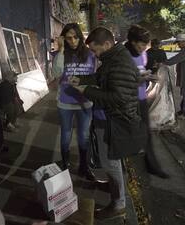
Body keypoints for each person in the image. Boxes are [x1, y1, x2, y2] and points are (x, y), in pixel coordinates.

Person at [70, 27, 145, 219]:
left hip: (115, 121)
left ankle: (118, 204)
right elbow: (101, 77)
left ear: (107, 44)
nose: (94, 54)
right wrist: (83, 79)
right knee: (110, 160)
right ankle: (113, 187)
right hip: (109, 119)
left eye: (96, 50)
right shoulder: (112, 59)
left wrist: (85, 90)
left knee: (110, 161)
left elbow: (118, 98)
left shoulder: (120, 63)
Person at [51, 23, 96, 181]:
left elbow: (95, 76)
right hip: (65, 102)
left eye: (75, 37)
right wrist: (61, 50)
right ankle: (65, 164)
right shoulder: (60, 54)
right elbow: (56, 74)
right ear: (64, 39)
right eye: (68, 38)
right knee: (66, 135)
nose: (73, 41)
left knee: (84, 136)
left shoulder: (90, 54)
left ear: (80, 37)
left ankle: (84, 166)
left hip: (85, 102)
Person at [125, 25, 169, 179]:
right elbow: (120, 80)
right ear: (131, 41)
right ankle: (124, 166)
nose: (144, 48)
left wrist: (149, 74)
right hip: (127, 101)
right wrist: (141, 78)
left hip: (141, 98)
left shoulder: (141, 54)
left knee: (146, 132)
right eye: (141, 44)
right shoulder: (123, 55)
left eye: (145, 45)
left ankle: (152, 165)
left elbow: (141, 69)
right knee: (127, 133)